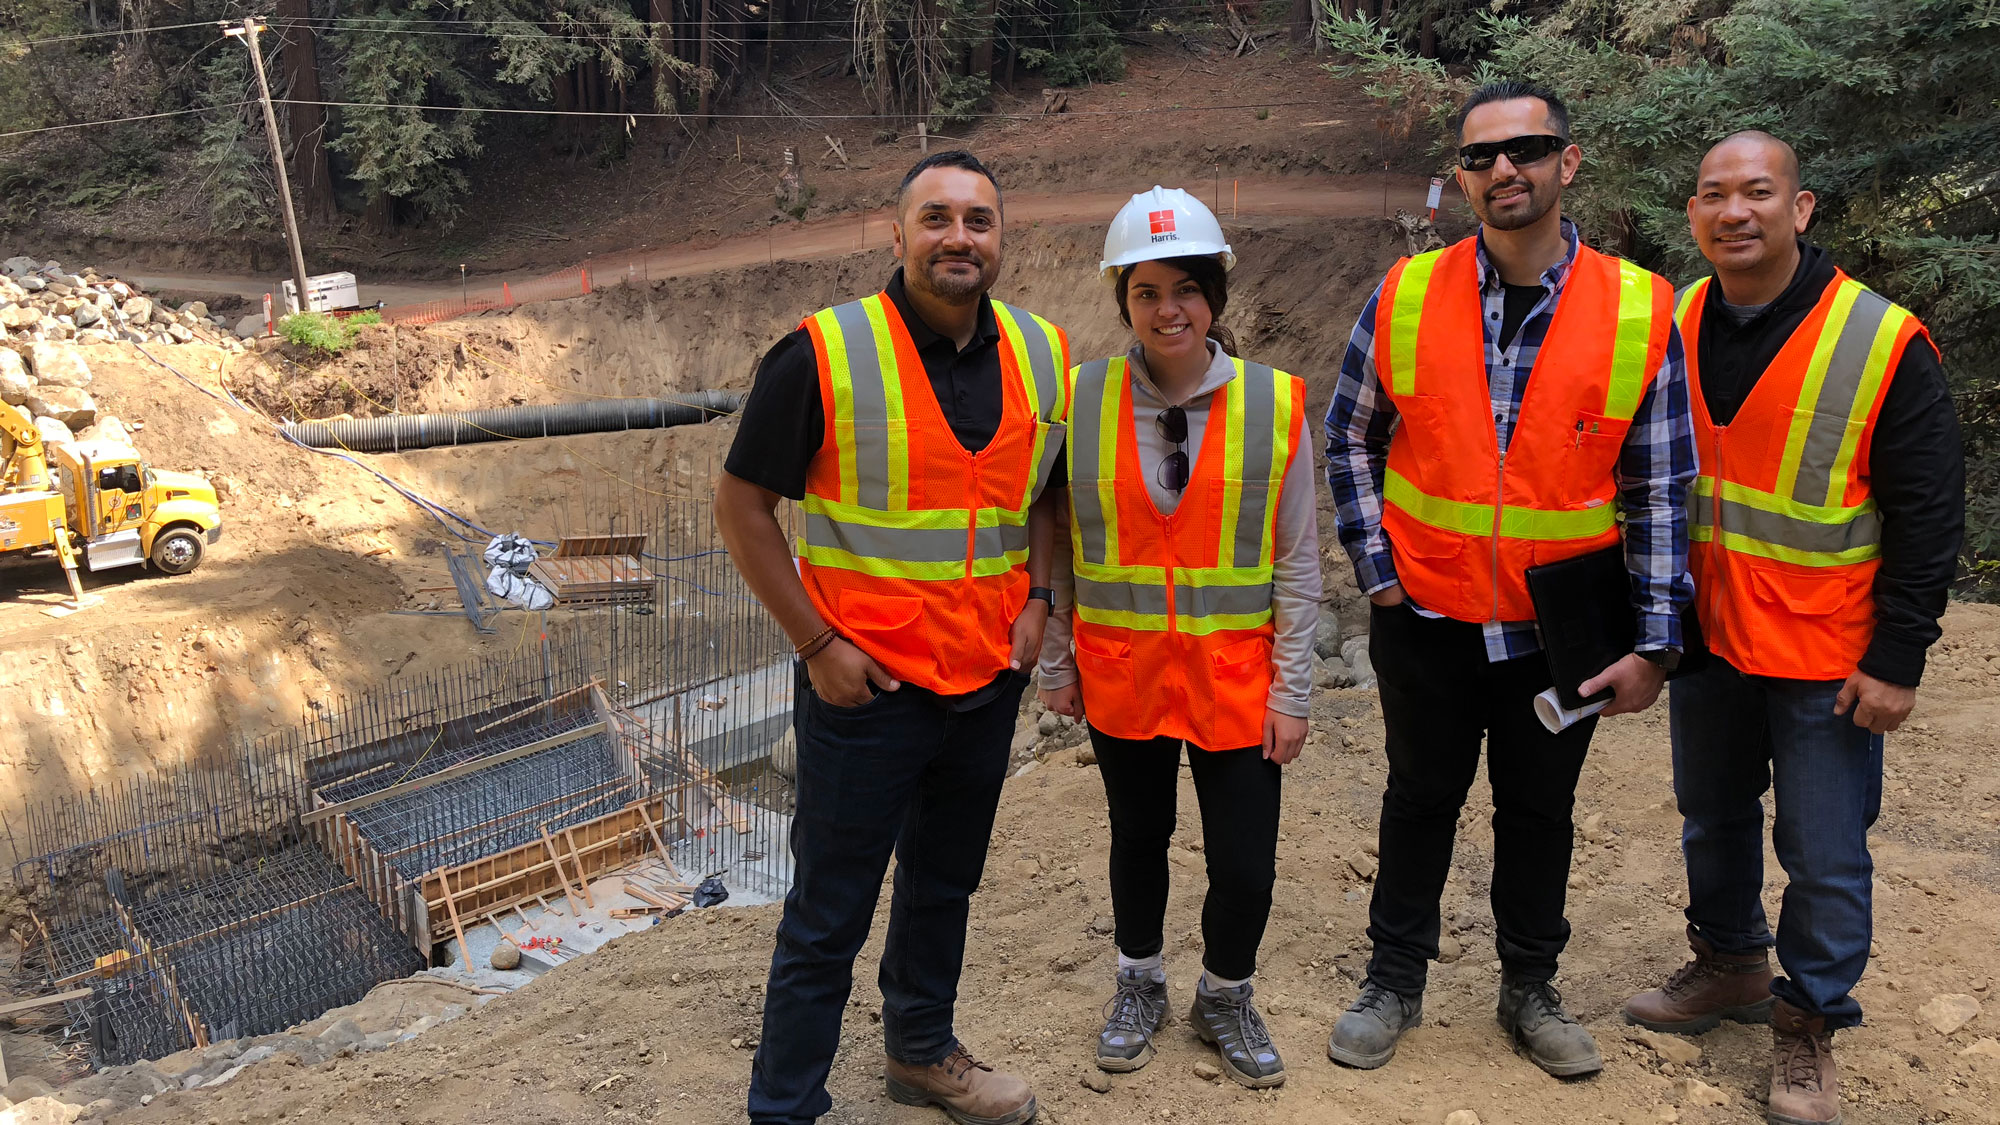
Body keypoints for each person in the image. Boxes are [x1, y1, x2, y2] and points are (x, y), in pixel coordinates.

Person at [1322, 81, 1697, 1078]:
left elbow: (1659, 483)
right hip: (1426, 617)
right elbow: (1350, 438)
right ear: (1461, 177)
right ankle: (1392, 979)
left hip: (1555, 636)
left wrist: (1653, 642)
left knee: (1537, 812)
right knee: (1417, 798)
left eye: (1525, 150)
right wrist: (1376, 567)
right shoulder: (1404, 294)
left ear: (1564, 162)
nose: (1503, 170)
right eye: (1481, 157)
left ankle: (1528, 985)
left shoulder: (1633, 309)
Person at [715, 150, 1071, 1125]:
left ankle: (919, 1052)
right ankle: (783, 1107)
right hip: (862, 691)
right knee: (828, 913)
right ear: (899, 232)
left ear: (1000, 237)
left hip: (983, 682)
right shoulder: (822, 354)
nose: (959, 237)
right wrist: (816, 646)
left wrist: (1038, 597)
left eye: (978, 220)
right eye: (937, 218)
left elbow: (1042, 489)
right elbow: (742, 508)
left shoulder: (1042, 353)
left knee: (942, 885)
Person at [1622, 131, 1962, 1125]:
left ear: (1799, 208)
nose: (1732, 211)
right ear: (1691, 215)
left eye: (1755, 193)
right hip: (1710, 643)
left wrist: (1897, 657)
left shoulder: (1876, 340)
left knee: (1821, 853)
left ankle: (1806, 1024)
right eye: (1712, 195)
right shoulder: (1673, 323)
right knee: (1710, 818)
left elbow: (1927, 513)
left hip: (1826, 656)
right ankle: (1726, 961)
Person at [1038, 187, 1321, 1089]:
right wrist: (1056, 663)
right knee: (1138, 837)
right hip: (1124, 677)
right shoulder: (1081, 402)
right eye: (1148, 291)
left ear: (1215, 298)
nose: (1169, 310)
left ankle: (1225, 994)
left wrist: (1294, 692)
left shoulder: (1275, 406)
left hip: (1239, 684)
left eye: (1187, 290)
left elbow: (1299, 565)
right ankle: (1140, 981)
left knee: (1245, 858)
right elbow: (1057, 543)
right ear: (1124, 300)